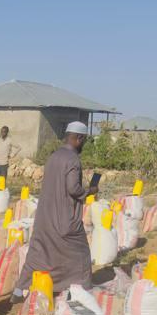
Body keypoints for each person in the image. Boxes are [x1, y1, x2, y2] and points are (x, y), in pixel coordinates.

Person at [15, 121, 96, 297]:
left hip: (45, 217)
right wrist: (90, 191)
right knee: (80, 252)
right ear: (79, 138)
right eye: (84, 140)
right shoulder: (73, 159)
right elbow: (73, 188)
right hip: (65, 219)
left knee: (38, 253)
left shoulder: (54, 156)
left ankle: (19, 289)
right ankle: (84, 290)